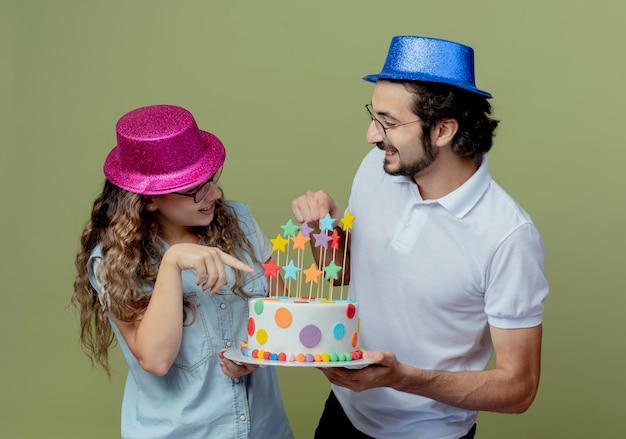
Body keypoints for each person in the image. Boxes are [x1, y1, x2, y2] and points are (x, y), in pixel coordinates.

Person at [291, 36, 549, 439]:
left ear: (444, 129)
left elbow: (519, 389)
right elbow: (343, 276)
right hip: (343, 413)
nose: (372, 136)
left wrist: (403, 378)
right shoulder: (377, 168)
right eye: (374, 117)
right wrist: (321, 230)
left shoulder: (507, 237)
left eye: (389, 123)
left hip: (427, 432)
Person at [72, 104, 293, 439]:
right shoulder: (112, 260)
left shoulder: (240, 220)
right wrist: (172, 264)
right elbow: (156, 361)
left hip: (265, 429)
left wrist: (258, 354)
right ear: (147, 201)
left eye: (212, 180)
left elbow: (284, 312)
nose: (214, 194)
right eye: (194, 189)